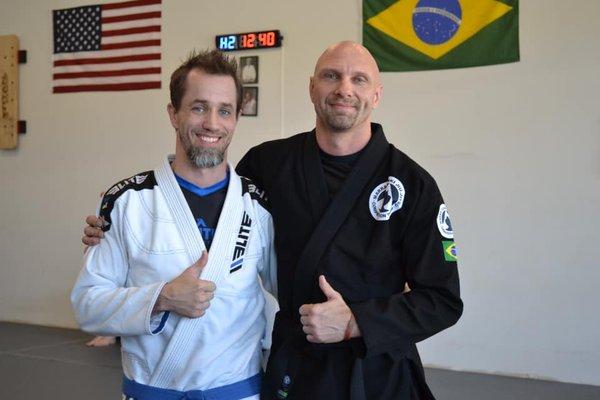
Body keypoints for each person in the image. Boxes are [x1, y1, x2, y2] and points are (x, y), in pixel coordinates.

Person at [83, 41, 462, 399]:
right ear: (312, 88)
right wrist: (119, 215)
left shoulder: (413, 184)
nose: (344, 89)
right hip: (295, 371)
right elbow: (217, 211)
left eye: (358, 79)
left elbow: (442, 300)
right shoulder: (268, 164)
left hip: (378, 373)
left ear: (376, 95)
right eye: (331, 76)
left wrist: (355, 321)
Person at [72, 50, 276, 400]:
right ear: (173, 114)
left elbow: (292, 288)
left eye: (224, 110)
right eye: (198, 107)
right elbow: (88, 306)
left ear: (237, 117)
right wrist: (161, 297)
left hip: (239, 392)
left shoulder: (258, 206)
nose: (212, 123)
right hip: (152, 391)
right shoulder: (127, 202)